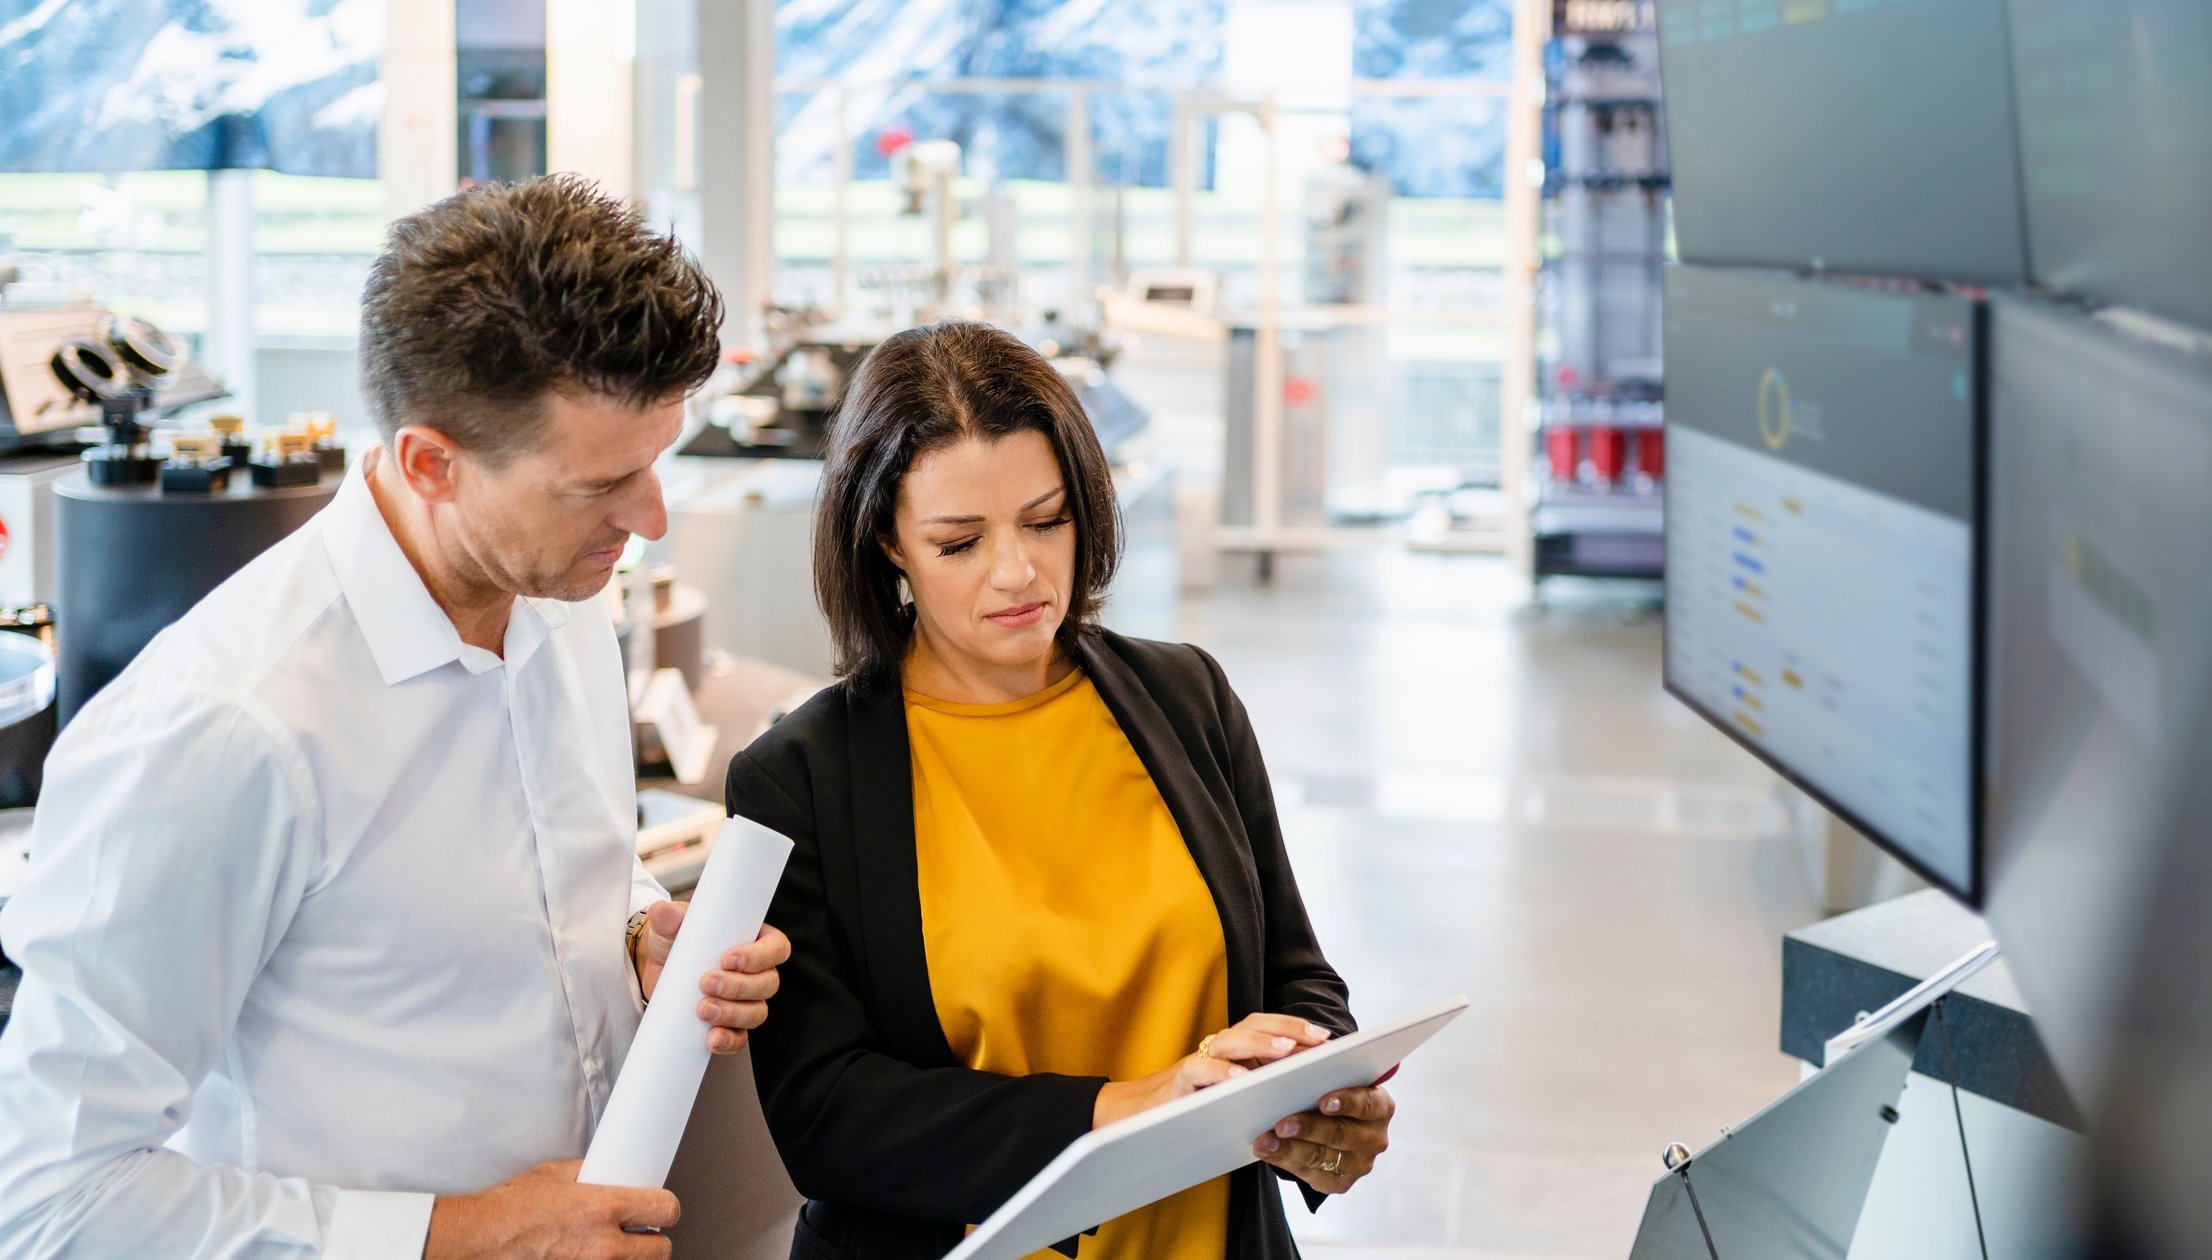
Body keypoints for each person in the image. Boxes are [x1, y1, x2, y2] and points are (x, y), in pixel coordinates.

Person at [0, 175, 790, 1260]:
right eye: (600, 483)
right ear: (431, 462)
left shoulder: (558, 596)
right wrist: (455, 1236)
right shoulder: (224, 729)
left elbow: (505, 882)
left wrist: (629, 932)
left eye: (655, 463)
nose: (648, 519)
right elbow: (50, 1199)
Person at [726, 321, 1395, 1259]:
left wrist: (1314, 1098)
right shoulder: (800, 779)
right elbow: (828, 1117)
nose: (1019, 572)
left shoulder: (1184, 697)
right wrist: (1126, 1111)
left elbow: (1293, 972)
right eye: (960, 542)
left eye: (1046, 521)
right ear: (888, 543)